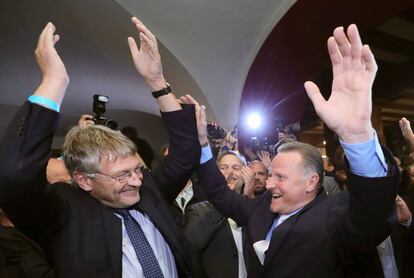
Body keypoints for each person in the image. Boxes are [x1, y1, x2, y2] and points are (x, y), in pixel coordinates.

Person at [187, 24, 399, 277]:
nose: (268, 184)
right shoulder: (260, 209)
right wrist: (202, 145)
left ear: (311, 182)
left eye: (280, 177)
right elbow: (219, 192)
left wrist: (357, 137)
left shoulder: (333, 216)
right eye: (271, 174)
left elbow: (374, 215)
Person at [0, 18, 205, 277]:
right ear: (84, 180)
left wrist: (157, 82)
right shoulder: (61, 212)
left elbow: (186, 154)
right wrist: (54, 81)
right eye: (122, 175)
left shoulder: (147, 192)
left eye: (137, 170)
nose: (136, 181)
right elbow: (14, 174)